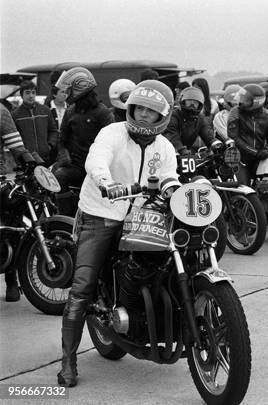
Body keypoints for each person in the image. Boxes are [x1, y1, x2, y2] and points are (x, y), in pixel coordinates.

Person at [56, 79, 178, 387]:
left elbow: (169, 175)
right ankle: (67, 362)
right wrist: (105, 182)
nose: (143, 115)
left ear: (162, 115)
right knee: (82, 287)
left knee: (163, 266)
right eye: (139, 108)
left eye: (151, 111)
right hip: (101, 213)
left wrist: (173, 189)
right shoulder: (112, 132)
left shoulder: (163, 146)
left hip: (140, 215)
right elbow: (96, 158)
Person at [53, 67, 114, 216]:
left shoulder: (102, 112)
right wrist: (63, 155)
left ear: (80, 88)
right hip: (77, 166)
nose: (67, 94)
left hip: (98, 169)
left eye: (70, 90)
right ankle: (66, 218)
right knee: (58, 175)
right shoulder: (70, 111)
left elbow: (113, 143)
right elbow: (62, 140)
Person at [1, 103, 40, 302]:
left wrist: (30, 161)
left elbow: (15, 144)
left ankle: (11, 279)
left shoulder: (1, 111)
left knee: (13, 220)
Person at [227, 84, 268, 186]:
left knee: (267, 185)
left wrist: (267, 150)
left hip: (260, 157)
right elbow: (234, 138)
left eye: (246, 100)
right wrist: (255, 152)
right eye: (241, 98)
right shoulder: (235, 112)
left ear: (257, 102)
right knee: (242, 186)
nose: (241, 102)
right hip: (237, 157)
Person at [164, 86, 223, 154]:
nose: (192, 105)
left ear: (199, 104)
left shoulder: (200, 119)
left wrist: (215, 143)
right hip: (168, 153)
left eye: (195, 102)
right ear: (183, 101)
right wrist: (181, 149)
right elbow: (172, 136)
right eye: (189, 101)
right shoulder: (173, 116)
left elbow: (207, 133)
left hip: (187, 155)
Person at [11, 80, 58, 165]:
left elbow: (53, 130)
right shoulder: (15, 115)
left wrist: (50, 146)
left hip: (46, 158)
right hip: (26, 160)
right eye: (27, 93)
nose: (31, 96)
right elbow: (14, 139)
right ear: (22, 95)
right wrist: (22, 153)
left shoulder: (45, 110)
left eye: (33, 92)